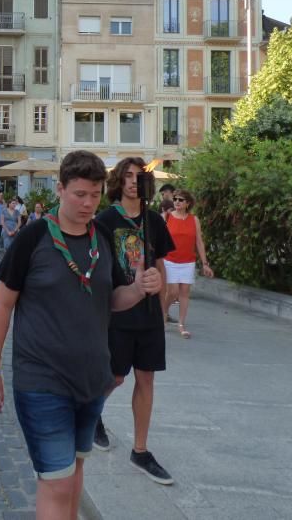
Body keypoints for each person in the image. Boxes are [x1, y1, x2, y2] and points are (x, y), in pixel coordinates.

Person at [0, 151, 119, 520]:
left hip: (91, 380)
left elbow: (114, 296)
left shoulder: (101, 235)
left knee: (74, 476)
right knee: (56, 482)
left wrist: (140, 290)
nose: (89, 203)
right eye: (80, 194)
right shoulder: (33, 237)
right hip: (42, 380)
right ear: (60, 189)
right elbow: (2, 306)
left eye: (95, 194)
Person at [94, 157, 175, 485]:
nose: (132, 182)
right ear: (118, 182)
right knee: (115, 377)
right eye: (126, 176)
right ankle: (92, 415)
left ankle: (140, 451)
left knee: (147, 379)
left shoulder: (154, 221)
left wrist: (162, 301)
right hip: (118, 313)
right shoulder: (104, 221)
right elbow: (99, 272)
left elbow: (160, 263)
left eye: (138, 177)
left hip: (150, 316)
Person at [161, 190, 213, 338]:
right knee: (172, 292)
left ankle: (181, 324)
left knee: (184, 293)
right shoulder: (167, 217)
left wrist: (205, 263)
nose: (177, 202)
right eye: (175, 199)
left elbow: (199, 242)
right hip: (169, 260)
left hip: (188, 262)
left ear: (187, 203)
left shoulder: (193, 220)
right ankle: (164, 312)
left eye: (181, 200)